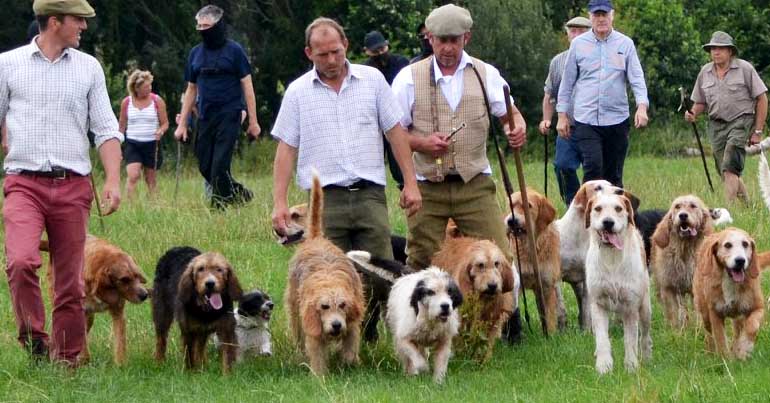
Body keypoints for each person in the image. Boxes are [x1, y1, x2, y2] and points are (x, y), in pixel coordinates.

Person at [0, 0, 122, 367]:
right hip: (24, 182)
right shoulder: (8, 65)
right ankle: (36, 339)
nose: (83, 27)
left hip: (73, 185)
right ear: (54, 22)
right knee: (21, 262)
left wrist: (113, 179)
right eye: (78, 20)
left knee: (70, 281)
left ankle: (66, 359)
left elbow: (105, 129)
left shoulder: (89, 68)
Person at [271, 17, 421, 261]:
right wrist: (280, 203)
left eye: (336, 52)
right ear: (309, 53)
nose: (331, 61)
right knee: (329, 275)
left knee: (380, 273)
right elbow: (286, 148)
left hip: (369, 195)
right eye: (322, 55)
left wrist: (410, 183)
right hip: (324, 201)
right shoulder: (297, 92)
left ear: (346, 45)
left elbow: (395, 133)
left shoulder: (372, 80)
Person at [391, 4, 526, 271]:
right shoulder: (408, 78)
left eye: (455, 40)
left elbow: (511, 114)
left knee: (498, 257)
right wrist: (422, 143)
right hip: (426, 185)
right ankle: (420, 312)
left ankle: (506, 314)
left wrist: (517, 128)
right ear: (430, 38)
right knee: (420, 261)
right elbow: (393, 134)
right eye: (441, 41)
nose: (448, 48)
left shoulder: (486, 73)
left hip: (474, 182)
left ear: (467, 37)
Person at [173, 4, 261, 209]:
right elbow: (191, 89)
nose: (202, 30)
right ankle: (242, 195)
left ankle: (218, 208)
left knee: (219, 165)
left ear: (218, 25)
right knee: (205, 165)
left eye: (206, 26)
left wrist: (253, 121)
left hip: (230, 114)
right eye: (199, 26)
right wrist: (183, 124)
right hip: (205, 115)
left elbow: (247, 86)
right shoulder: (195, 54)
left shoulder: (235, 51)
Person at [556, 0, 649, 188]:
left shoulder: (626, 44)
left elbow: (637, 79)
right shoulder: (578, 45)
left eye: (604, 15)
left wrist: (641, 107)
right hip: (586, 118)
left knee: (613, 174)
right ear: (590, 17)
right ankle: (589, 214)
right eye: (596, 15)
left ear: (612, 15)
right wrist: (561, 115)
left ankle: (615, 215)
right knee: (592, 167)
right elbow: (567, 82)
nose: (601, 19)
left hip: (617, 118)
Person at [686, 31, 767, 203]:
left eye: (721, 48)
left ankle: (726, 211)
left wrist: (758, 131)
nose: (716, 52)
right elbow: (700, 102)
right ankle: (748, 206)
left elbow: (762, 98)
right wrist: (693, 113)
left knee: (730, 166)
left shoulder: (744, 69)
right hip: (716, 126)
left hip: (740, 122)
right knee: (726, 170)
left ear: (730, 51)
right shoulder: (705, 72)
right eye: (713, 48)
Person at [539, 16, 591, 206]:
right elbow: (549, 94)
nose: (576, 35)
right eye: (572, 31)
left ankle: (594, 206)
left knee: (594, 171)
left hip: (593, 126)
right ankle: (574, 205)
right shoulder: (558, 61)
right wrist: (546, 120)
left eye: (581, 31)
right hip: (567, 125)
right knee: (562, 166)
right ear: (567, 34)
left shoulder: (597, 59)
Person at [363, 30, 410, 190]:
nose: (380, 54)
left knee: (399, 160)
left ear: (387, 46)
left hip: (399, 119)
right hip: (374, 123)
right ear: (367, 52)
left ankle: (406, 186)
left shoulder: (401, 63)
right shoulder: (365, 70)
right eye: (375, 52)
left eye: (382, 49)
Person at [119, 70, 168, 198]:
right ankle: (130, 207)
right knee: (133, 175)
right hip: (132, 143)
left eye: (150, 85)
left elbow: (165, 123)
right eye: (146, 86)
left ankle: (153, 206)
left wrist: (160, 131)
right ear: (136, 88)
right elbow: (121, 127)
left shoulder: (157, 100)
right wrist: (117, 146)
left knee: (150, 179)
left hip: (151, 143)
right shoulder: (126, 102)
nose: (149, 88)